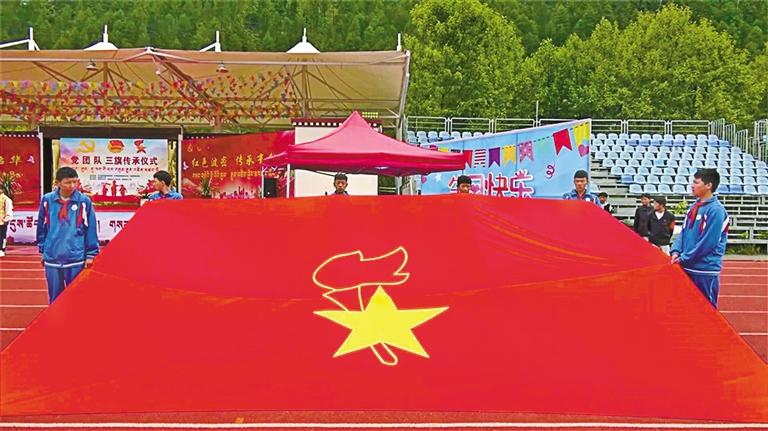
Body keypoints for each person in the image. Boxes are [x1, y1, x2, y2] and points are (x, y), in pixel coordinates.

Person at [36, 167, 99, 303]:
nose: (72, 186)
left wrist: (91, 254)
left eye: (75, 182)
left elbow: (91, 228)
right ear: (57, 183)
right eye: (68, 182)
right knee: (55, 299)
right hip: (52, 256)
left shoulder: (84, 201)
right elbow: (42, 226)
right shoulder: (47, 200)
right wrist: (43, 250)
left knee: (76, 297)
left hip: (76, 257)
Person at [671, 169, 729, 308]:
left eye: (696, 182)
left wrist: (685, 257)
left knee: (706, 309)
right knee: (687, 309)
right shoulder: (694, 207)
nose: (692, 185)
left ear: (708, 185)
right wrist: (675, 251)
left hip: (704, 269)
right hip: (687, 267)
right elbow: (684, 232)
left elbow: (709, 242)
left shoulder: (716, 210)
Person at [0, 184, 14, 257]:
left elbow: (9, 210)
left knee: (2, 236)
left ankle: (1, 249)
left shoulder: (6, 199)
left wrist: (6, 219)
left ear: (2, 190)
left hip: (2, 221)